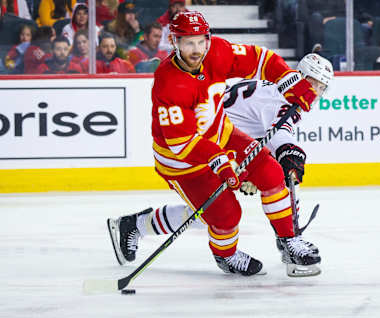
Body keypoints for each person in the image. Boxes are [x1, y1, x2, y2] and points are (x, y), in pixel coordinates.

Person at [107, 11, 321, 277]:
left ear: (208, 40)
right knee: (225, 214)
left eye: (200, 41)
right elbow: (182, 144)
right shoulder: (168, 82)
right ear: (174, 42)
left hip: (223, 135)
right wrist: (221, 161)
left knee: (271, 172)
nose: (196, 50)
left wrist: (287, 78)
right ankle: (226, 256)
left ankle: (289, 241)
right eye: (187, 43)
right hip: (182, 161)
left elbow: (259, 59)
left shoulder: (218, 50)